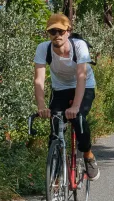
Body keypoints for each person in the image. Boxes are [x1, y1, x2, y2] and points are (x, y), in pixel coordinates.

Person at [33, 13, 99, 181]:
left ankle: (88, 155)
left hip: (84, 85)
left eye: (60, 31)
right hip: (60, 88)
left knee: (79, 119)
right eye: (52, 32)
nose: (56, 36)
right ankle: (54, 179)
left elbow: (81, 76)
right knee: (55, 129)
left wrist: (76, 106)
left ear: (68, 31)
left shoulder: (79, 46)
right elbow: (39, 79)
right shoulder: (43, 48)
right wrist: (41, 106)